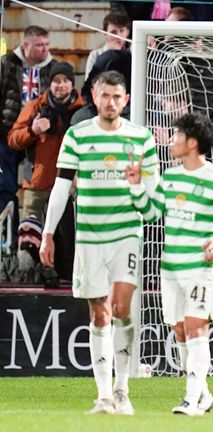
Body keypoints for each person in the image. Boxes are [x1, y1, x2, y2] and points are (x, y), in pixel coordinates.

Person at [39, 70, 159, 415]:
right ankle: (104, 395)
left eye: (116, 97)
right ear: (94, 96)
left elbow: (153, 197)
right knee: (99, 311)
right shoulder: (77, 135)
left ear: (126, 99)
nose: (110, 102)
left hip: (126, 235)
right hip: (90, 238)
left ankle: (123, 389)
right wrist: (48, 232)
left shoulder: (141, 138)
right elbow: (62, 185)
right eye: (105, 96)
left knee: (122, 307)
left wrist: (140, 191)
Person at [125, 112, 213, 416]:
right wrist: (136, 186)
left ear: (192, 142)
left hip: (202, 268)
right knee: (180, 331)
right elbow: (151, 212)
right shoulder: (171, 177)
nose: (171, 140)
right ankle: (204, 395)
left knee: (196, 329)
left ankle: (191, 398)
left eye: (177, 135)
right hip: (171, 268)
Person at [8, 62, 85, 220]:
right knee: (30, 240)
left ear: (72, 83)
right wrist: (32, 131)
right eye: (56, 80)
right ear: (50, 83)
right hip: (36, 188)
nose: (61, 85)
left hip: (69, 188)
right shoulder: (35, 107)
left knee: (66, 242)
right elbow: (13, 139)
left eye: (65, 80)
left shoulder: (82, 111)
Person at [1, 25, 56, 137]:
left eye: (47, 44)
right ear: (26, 45)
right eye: (39, 45)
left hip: (39, 132)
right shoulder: (7, 63)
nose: (45, 49)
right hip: (7, 130)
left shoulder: (53, 67)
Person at [84, 12, 131, 80]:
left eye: (122, 31)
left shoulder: (133, 53)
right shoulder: (95, 55)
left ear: (128, 32)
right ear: (105, 34)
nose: (118, 36)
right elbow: (90, 82)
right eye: (113, 32)